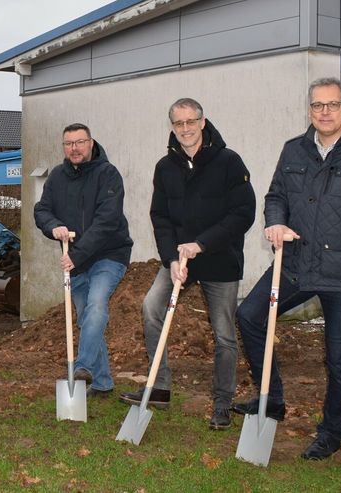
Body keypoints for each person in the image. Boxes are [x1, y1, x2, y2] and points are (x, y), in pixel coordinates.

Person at [233, 77, 341, 459]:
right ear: (309, 109)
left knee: (339, 357)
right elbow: (276, 195)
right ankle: (271, 398)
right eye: (317, 105)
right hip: (297, 264)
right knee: (250, 315)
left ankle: (330, 432)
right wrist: (274, 221)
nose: (324, 112)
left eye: (332, 104)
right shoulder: (293, 150)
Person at [119, 99, 255, 430]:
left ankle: (222, 402)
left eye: (191, 121)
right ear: (172, 127)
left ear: (203, 121)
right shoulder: (165, 167)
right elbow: (160, 217)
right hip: (179, 260)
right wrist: (171, 258)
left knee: (224, 333)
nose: (185, 128)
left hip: (220, 258)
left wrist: (202, 243)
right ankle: (160, 387)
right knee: (151, 308)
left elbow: (242, 214)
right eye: (178, 123)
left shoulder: (229, 162)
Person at [34, 123, 133, 398]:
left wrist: (76, 255)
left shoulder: (108, 175)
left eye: (79, 142)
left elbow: (107, 221)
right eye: (69, 144)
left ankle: (83, 368)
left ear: (90, 143)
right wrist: (53, 225)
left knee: (96, 305)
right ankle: (102, 383)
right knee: (86, 319)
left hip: (109, 254)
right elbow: (41, 210)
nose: (74, 148)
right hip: (75, 259)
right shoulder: (57, 176)